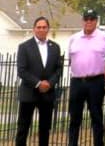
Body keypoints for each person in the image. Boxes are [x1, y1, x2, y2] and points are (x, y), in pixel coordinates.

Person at [68, 8, 105, 146]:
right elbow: (70, 60)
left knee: (96, 117)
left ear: (96, 21)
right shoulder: (73, 38)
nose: (89, 22)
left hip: (96, 81)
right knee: (75, 117)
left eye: (92, 19)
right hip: (77, 82)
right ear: (83, 21)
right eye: (86, 19)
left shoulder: (104, 37)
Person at [16, 16, 62, 146]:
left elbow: (58, 70)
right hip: (29, 93)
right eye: (39, 27)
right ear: (34, 29)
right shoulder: (24, 47)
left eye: (44, 27)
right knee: (23, 129)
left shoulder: (55, 47)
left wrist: (49, 83)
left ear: (48, 29)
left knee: (45, 129)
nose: (41, 30)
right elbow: (22, 70)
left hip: (47, 94)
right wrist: (38, 83)